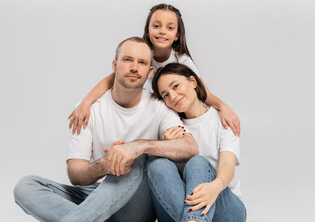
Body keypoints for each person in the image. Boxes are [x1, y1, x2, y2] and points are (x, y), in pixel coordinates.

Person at [13, 37, 198, 222]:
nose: (134, 67)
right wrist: (105, 165)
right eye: (128, 60)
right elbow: (75, 174)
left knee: (134, 158)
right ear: (114, 65)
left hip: (135, 204)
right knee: (26, 187)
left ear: (150, 72)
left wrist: (137, 148)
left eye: (142, 63)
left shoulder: (158, 107)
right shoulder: (88, 110)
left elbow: (190, 147)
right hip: (96, 195)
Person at [68, 3, 241, 137]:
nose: (162, 32)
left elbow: (203, 93)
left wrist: (224, 107)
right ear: (148, 29)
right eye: (156, 26)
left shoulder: (183, 61)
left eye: (170, 28)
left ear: (177, 35)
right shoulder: (142, 55)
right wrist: (85, 103)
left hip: (179, 114)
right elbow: (110, 80)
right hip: (156, 116)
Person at [146, 63, 246, 222]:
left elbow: (227, 164)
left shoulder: (222, 119)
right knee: (157, 162)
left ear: (193, 82)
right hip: (184, 205)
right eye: (165, 95)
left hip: (224, 206)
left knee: (197, 162)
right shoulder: (172, 127)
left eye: (176, 86)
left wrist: (215, 187)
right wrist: (166, 146)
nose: (172, 96)